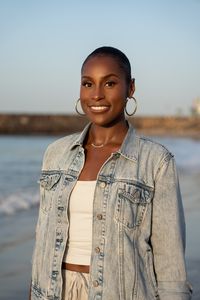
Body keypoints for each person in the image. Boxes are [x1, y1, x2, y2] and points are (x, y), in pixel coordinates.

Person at [30, 46, 192, 300]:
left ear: (131, 89)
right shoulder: (55, 153)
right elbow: (43, 241)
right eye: (87, 84)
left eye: (109, 83)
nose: (96, 95)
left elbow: (170, 264)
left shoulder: (156, 162)